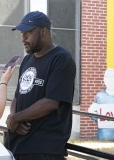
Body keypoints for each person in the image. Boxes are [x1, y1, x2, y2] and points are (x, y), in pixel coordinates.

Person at [5, 11, 76, 160]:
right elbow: (18, 96)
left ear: (43, 32)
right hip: (18, 145)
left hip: (44, 149)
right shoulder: (27, 60)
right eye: (21, 33)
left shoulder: (61, 59)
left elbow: (51, 102)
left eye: (28, 33)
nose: (23, 38)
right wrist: (13, 117)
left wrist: (16, 118)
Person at [88, 68, 114, 140]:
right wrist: (91, 113)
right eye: (107, 77)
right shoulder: (99, 96)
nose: (110, 80)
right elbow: (94, 116)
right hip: (103, 136)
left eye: (112, 77)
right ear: (104, 80)